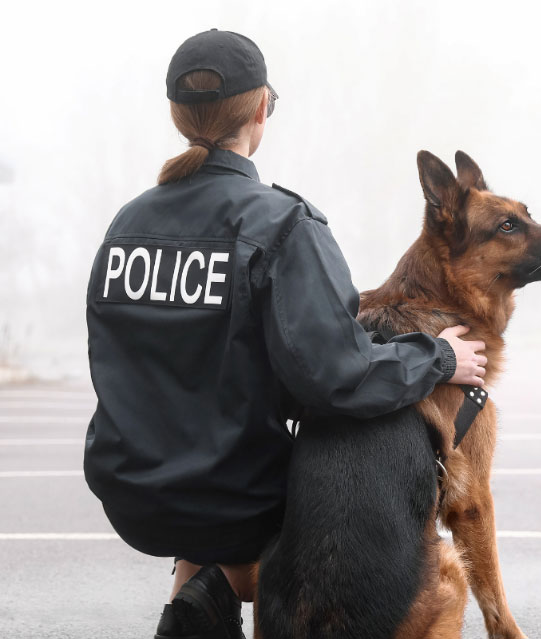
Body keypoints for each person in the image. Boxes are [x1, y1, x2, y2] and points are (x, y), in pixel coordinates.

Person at [83, 29, 486, 639]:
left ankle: (193, 610)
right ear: (262, 109)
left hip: (129, 488)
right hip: (235, 495)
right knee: (325, 484)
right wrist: (438, 357)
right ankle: (212, 596)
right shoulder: (281, 222)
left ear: (175, 115)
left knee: (206, 515)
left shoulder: (127, 225)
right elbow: (338, 378)